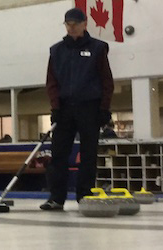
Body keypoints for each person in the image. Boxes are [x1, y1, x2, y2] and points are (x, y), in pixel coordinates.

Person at [42, 8, 114, 211]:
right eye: (68, 24)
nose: (72, 27)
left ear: (85, 24)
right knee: (58, 154)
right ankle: (56, 198)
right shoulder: (56, 50)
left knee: (88, 154)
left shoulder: (98, 48)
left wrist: (104, 108)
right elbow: (51, 82)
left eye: (75, 24)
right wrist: (55, 107)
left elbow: (106, 81)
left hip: (89, 107)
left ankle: (84, 196)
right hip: (64, 109)